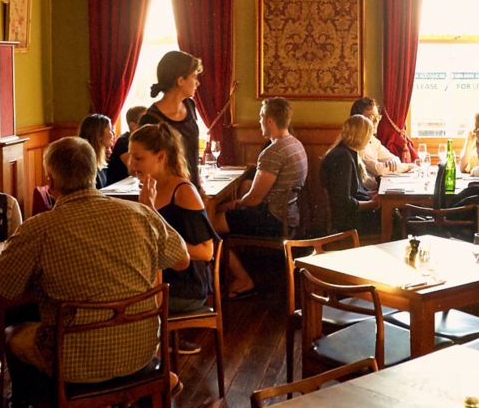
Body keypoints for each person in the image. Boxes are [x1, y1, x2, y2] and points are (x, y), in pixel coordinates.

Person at [0, 137, 189, 408]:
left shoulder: (40, 228)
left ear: (51, 182)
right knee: (102, 319)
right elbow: (183, 259)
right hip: (141, 349)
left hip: (74, 361)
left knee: (13, 334)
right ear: (95, 173)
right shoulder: (139, 215)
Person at [211, 96, 307, 298]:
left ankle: (243, 279)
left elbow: (253, 200)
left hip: (273, 220)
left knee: (208, 224)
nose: (259, 122)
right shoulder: (296, 144)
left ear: (270, 120)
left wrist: (231, 204)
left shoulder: (273, 151)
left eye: (261, 117)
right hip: (289, 217)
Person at [126, 123, 216, 313]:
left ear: (161, 157)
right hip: (156, 279)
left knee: (125, 303)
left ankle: (158, 341)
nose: (131, 165)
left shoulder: (183, 191)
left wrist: (150, 212)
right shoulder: (149, 187)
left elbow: (206, 251)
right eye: (130, 157)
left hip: (184, 287)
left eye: (138, 158)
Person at [140, 50, 204, 187]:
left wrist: (199, 188)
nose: (197, 83)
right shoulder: (150, 119)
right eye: (194, 77)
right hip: (166, 193)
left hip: (192, 188)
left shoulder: (190, 105)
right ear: (181, 80)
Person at [320, 114, 379, 237]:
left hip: (351, 215)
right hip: (349, 222)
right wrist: (372, 204)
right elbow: (343, 202)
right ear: (361, 136)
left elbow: (351, 191)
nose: (370, 140)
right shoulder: (343, 158)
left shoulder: (347, 152)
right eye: (369, 136)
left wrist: (370, 195)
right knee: (393, 217)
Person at [350, 96, 412, 183]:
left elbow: (395, 159)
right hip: (366, 192)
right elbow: (378, 170)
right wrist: (408, 167)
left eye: (377, 117)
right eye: (371, 118)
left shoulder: (373, 140)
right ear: (359, 120)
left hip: (374, 188)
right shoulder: (356, 142)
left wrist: (392, 163)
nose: (376, 121)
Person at [102, 105, 146, 186]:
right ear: (133, 126)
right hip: (115, 188)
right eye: (144, 122)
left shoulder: (142, 142)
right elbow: (135, 168)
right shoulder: (123, 141)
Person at [78, 113, 116, 188]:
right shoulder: (85, 164)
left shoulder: (100, 159)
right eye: (110, 130)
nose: (113, 134)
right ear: (98, 135)